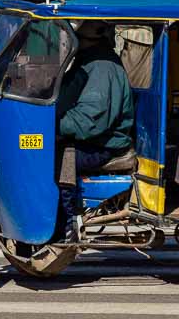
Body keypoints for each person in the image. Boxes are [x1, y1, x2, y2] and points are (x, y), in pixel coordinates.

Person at [56, 20, 134, 242]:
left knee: (58, 158)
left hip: (103, 144)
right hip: (93, 138)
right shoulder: (88, 62)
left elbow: (89, 120)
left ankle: (66, 222)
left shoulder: (102, 67)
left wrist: (53, 126)